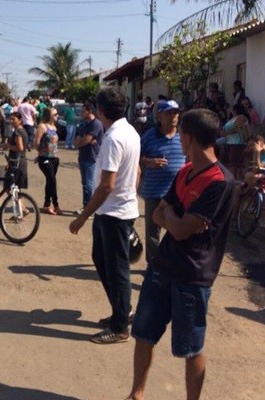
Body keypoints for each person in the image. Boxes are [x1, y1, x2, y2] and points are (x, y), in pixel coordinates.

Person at [126, 109, 236, 400]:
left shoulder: (221, 182)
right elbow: (161, 214)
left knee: (191, 347)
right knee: (143, 334)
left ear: (188, 137)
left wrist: (172, 220)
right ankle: (137, 393)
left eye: (181, 133)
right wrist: (173, 220)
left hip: (192, 276)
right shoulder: (186, 171)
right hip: (162, 267)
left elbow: (180, 228)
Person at [69, 88, 140, 344]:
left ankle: (121, 326)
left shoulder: (114, 139)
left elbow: (107, 185)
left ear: (101, 111)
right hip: (113, 210)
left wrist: (82, 216)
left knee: (117, 269)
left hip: (113, 214)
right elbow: (137, 170)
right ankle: (121, 311)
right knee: (101, 259)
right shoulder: (128, 131)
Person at [139, 100, 186, 265]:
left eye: (176, 113)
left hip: (178, 194)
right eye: (169, 113)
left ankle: (171, 264)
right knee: (153, 233)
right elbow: (137, 158)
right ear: (159, 116)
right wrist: (149, 162)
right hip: (154, 192)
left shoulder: (183, 135)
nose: (173, 117)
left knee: (176, 230)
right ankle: (154, 267)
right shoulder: (149, 136)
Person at [73, 103, 103, 213]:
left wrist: (83, 141)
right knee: (85, 183)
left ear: (90, 111)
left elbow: (86, 139)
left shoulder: (96, 124)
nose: (81, 113)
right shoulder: (84, 124)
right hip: (83, 156)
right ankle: (86, 206)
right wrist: (82, 141)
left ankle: (88, 209)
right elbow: (79, 138)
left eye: (83, 111)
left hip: (92, 157)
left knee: (89, 184)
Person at [33, 107, 61, 215]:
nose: (57, 116)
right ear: (49, 115)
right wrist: (40, 153)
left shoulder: (54, 127)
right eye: (55, 114)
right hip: (45, 159)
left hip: (54, 159)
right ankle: (55, 204)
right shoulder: (42, 126)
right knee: (52, 180)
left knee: (50, 181)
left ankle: (47, 204)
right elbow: (36, 142)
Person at [217, 103, 250, 178]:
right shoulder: (232, 118)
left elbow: (237, 128)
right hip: (230, 142)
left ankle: (235, 178)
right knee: (234, 163)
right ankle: (237, 177)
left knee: (235, 163)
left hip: (238, 142)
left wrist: (225, 133)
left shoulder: (241, 117)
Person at [1, 111, 28, 190]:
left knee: (8, 188)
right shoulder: (23, 130)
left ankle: (17, 202)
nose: (11, 121)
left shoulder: (17, 132)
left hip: (16, 163)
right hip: (20, 161)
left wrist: (8, 146)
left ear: (20, 120)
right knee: (17, 190)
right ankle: (19, 202)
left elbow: (20, 148)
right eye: (10, 119)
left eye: (14, 119)